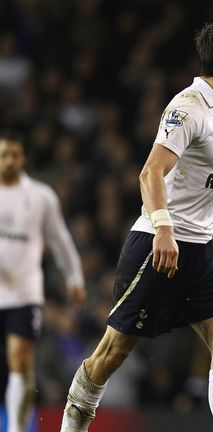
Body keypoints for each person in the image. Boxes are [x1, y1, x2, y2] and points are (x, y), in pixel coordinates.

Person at [60, 18, 213, 432]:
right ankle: (72, 422)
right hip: (157, 244)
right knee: (113, 352)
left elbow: (198, 190)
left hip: (200, 249)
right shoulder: (187, 106)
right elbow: (150, 173)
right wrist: (165, 231)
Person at [0, 133, 85, 432]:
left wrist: (75, 278)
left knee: (21, 364)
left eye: (15, 155)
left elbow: (60, 241)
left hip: (24, 295)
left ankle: (16, 430)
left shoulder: (41, 197)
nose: (9, 161)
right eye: (4, 155)